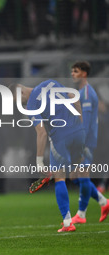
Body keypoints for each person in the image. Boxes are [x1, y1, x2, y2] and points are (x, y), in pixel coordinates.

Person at [12, 79, 85, 232]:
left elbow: (42, 132)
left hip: (60, 137)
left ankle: (67, 223)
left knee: (60, 178)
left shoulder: (31, 105)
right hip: (79, 132)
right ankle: (98, 203)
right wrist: (81, 123)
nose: (21, 105)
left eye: (18, 100)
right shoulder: (50, 83)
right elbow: (73, 95)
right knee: (78, 170)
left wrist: (39, 161)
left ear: (21, 92)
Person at [70, 61, 109, 224]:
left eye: (76, 71)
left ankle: (83, 213)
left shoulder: (86, 92)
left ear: (84, 73)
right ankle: (101, 203)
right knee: (78, 176)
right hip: (87, 139)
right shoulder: (83, 91)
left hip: (86, 140)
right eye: (72, 71)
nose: (72, 74)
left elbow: (84, 121)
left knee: (80, 175)